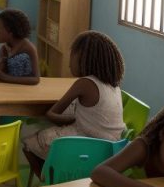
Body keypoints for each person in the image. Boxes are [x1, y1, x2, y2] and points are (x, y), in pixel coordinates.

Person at [23, 30, 126, 177]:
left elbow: (52, 114)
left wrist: (73, 120)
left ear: (85, 60)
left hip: (81, 146)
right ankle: (62, 177)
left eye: (72, 56)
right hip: (108, 151)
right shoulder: (114, 86)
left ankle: (47, 182)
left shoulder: (83, 83)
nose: (69, 61)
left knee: (29, 143)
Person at [0, 8, 40, 84]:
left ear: (10, 33)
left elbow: (36, 79)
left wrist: (7, 78)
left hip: (24, 91)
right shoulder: (5, 48)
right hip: (8, 88)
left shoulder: (29, 48)